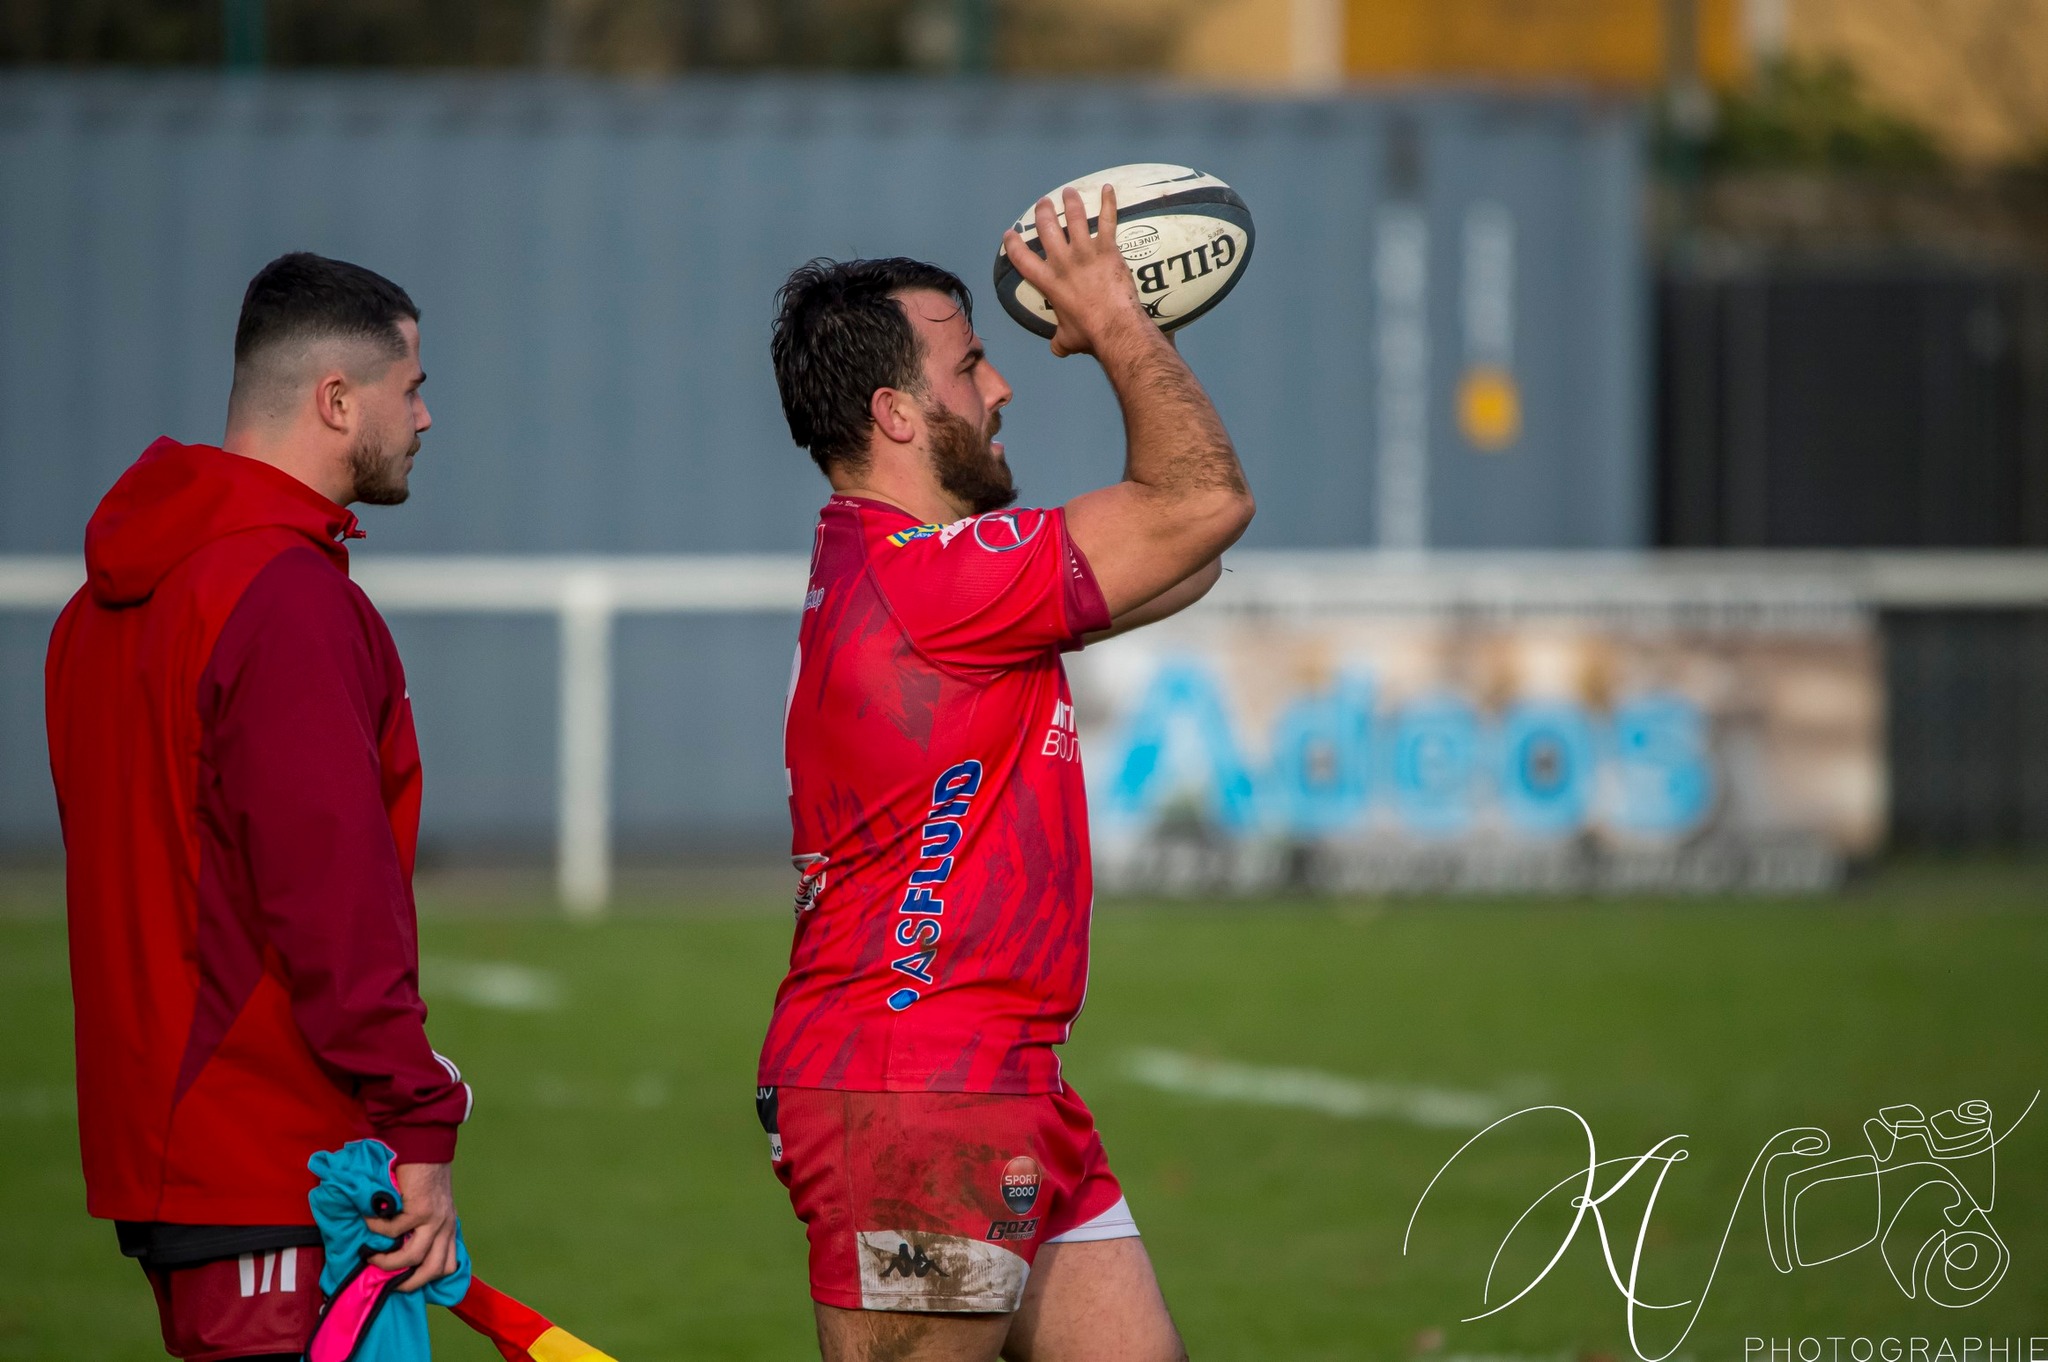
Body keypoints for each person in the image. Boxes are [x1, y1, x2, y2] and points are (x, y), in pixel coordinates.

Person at [759, 186, 1255, 1362]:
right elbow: (1202, 503)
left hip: (994, 1075)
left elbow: (1185, 559)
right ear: (894, 413)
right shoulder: (938, 576)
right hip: (917, 1089)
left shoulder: (903, 565)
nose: (1001, 386)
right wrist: (1120, 325)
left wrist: (1145, 338)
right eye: (971, 364)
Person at [45, 252, 467, 1362]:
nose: (427, 415)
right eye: (410, 386)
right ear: (336, 398)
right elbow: (330, 894)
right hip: (277, 1151)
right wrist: (418, 1120)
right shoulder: (284, 600)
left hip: (166, 1152)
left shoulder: (97, 607)